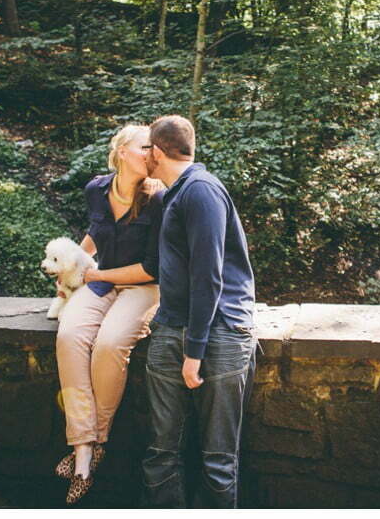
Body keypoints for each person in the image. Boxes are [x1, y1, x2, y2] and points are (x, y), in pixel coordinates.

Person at [140, 115, 257, 508]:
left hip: (218, 332)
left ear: (156, 152)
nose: (143, 155)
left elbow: (209, 276)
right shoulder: (171, 195)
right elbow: (158, 266)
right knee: (160, 453)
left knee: (218, 460)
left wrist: (194, 350)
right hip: (171, 326)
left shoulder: (202, 191)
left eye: (145, 149)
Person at [53, 124, 165, 505]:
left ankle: (98, 439)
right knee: (69, 336)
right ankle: (82, 445)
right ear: (121, 151)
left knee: (110, 343)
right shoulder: (96, 189)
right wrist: (71, 268)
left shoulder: (159, 197)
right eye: (145, 148)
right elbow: (95, 234)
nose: (152, 155)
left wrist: (95, 273)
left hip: (143, 286)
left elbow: (153, 268)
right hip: (100, 280)